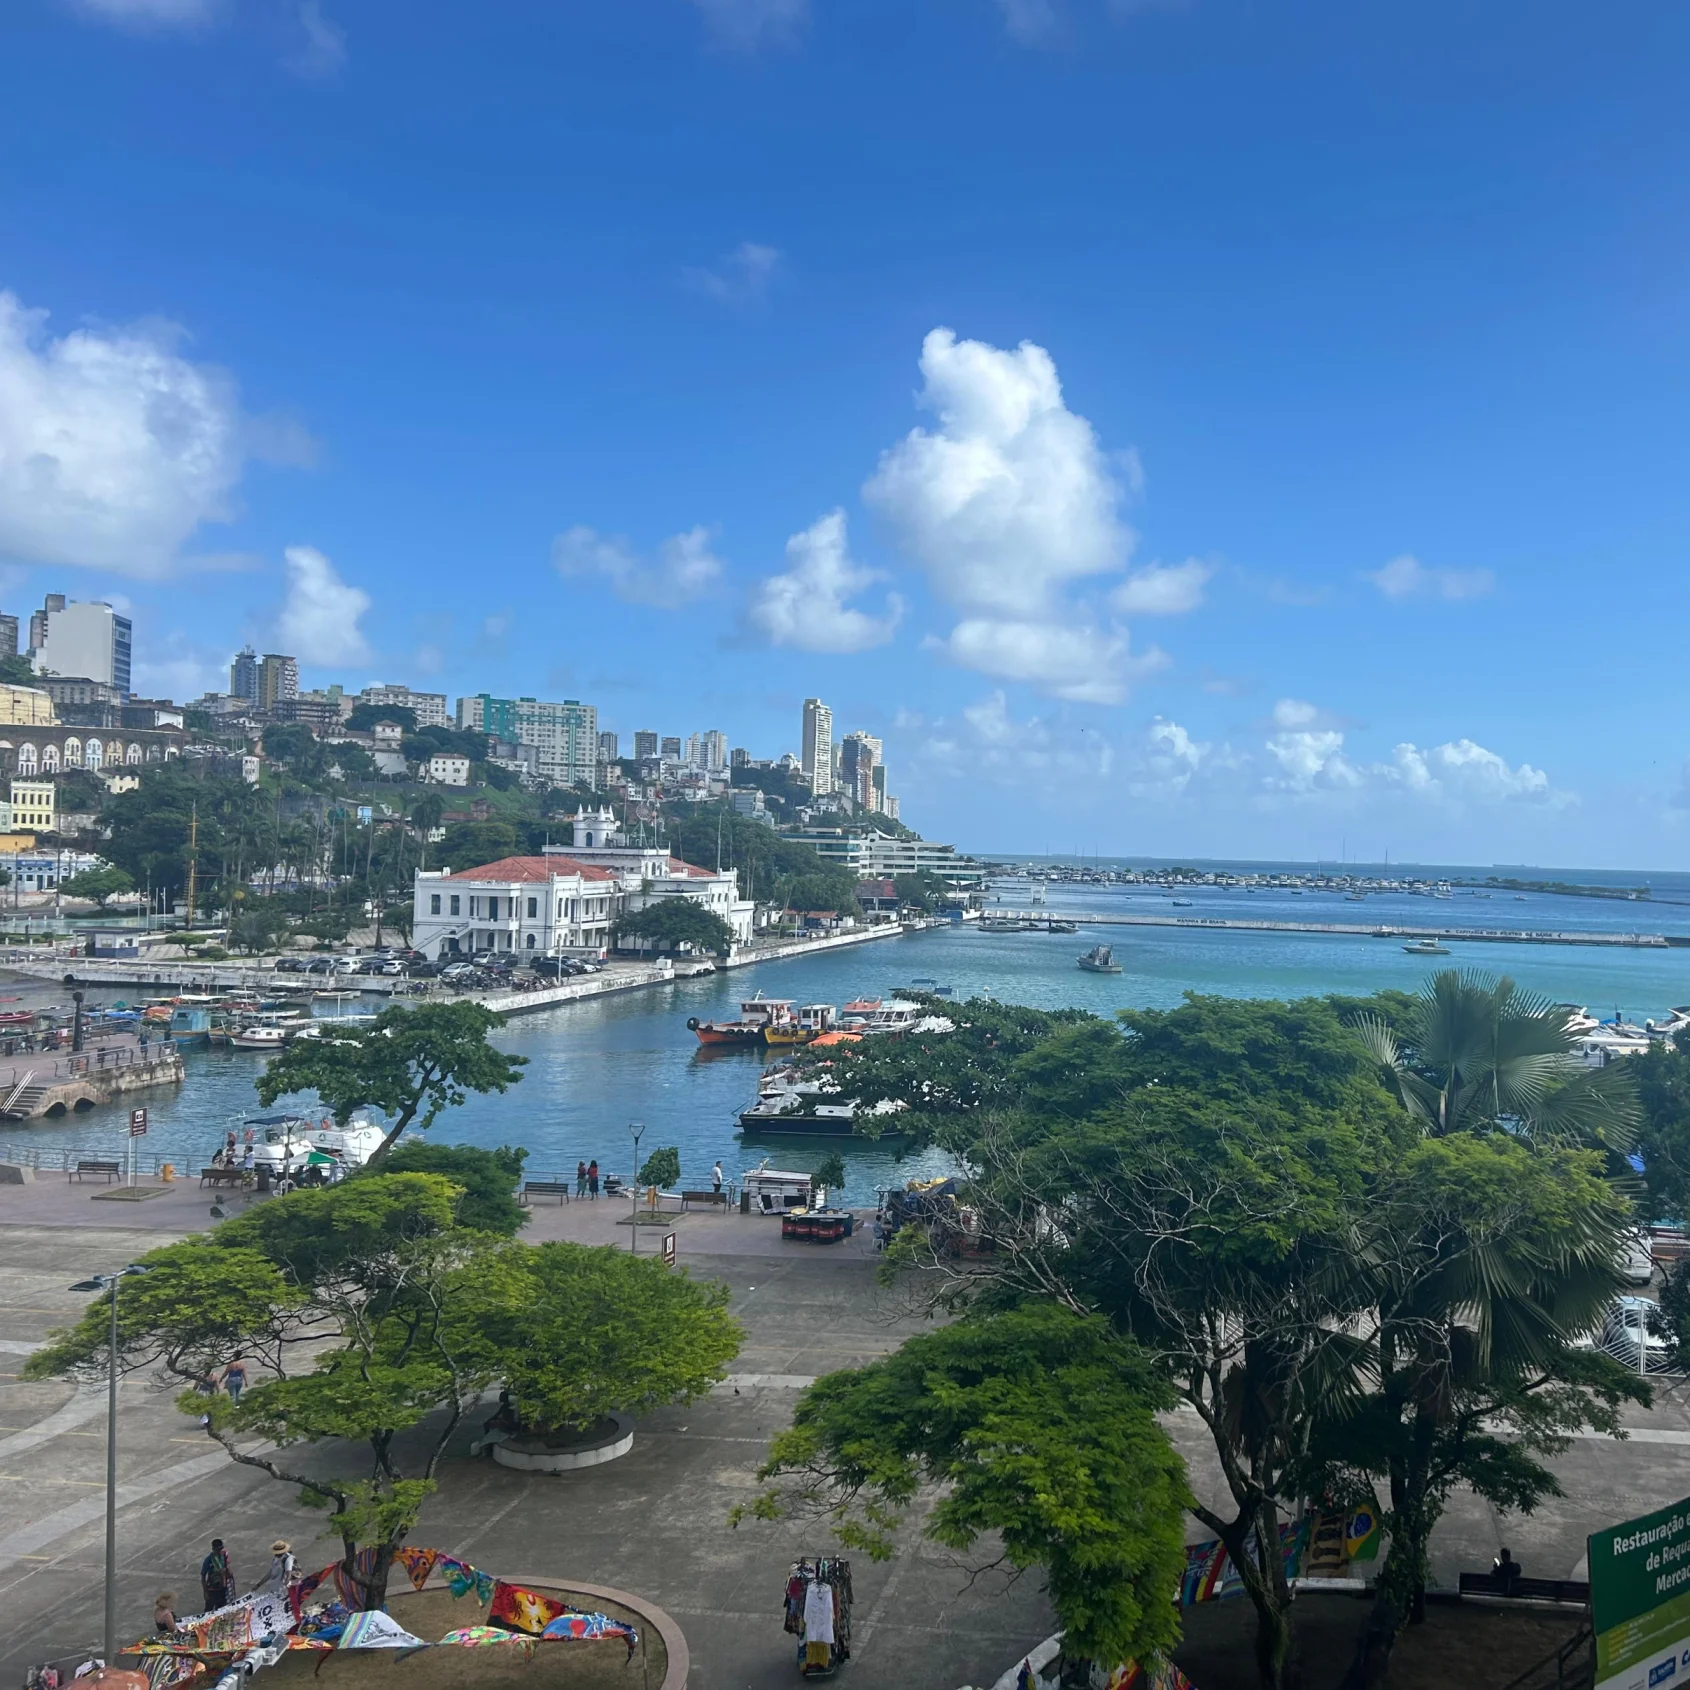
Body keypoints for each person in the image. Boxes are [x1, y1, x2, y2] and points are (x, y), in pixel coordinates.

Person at [201, 1539, 233, 1610]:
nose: (219, 1551)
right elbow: (203, 1576)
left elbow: (228, 1567)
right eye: (217, 1549)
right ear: (213, 1549)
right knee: (209, 1609)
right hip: (212, 1588)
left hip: (223, 1587)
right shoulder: (208, 1560)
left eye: (221, 1549)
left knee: (222, 1608)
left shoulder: (224, 1555)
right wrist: (205, 1592)